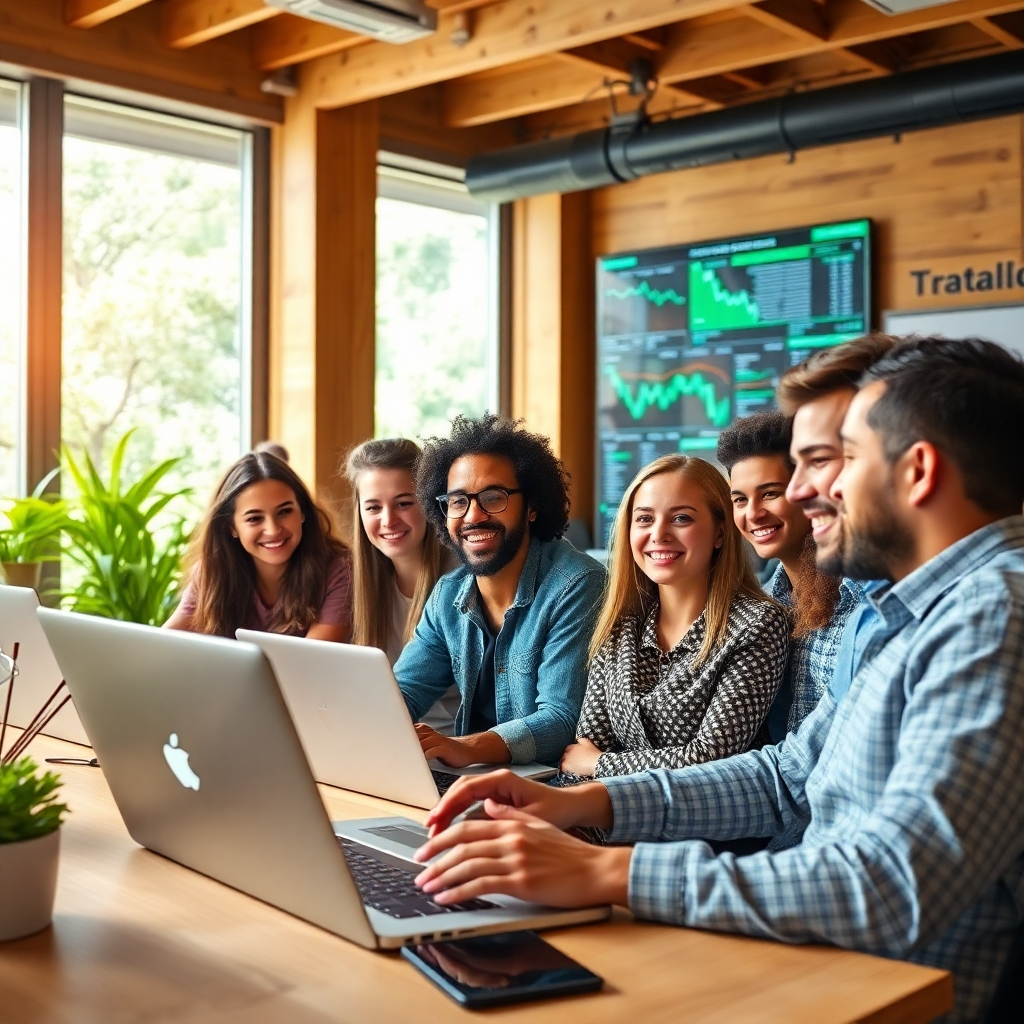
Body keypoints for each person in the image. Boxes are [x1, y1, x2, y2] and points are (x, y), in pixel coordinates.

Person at [412, 336, 1024, 1024]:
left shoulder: (996, 614)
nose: (800, 492)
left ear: (916, 472)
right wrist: (582, 805)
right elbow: (784, 776)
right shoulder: (901, 616)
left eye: (840, 459)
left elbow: (891, 885)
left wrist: (605, 872)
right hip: (813, 956)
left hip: (885, 993)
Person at [558, 454, 788, 780]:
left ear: (720, 532)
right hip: (610, 816)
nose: (659, 534)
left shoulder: (759, 625)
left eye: (681, 519)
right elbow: (580, 755)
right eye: (644, 519)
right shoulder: (620, 626)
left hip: (709, 824)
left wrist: (599, 764)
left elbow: (709, 762)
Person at [395, 414, 606, 768]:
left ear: (533, 507)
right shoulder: (448, 595)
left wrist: (466, 747)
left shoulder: (578, 584)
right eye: (458, 501)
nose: (473, 516)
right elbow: (402, 692)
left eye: (494, 497)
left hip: (545, 788)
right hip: (471, 777)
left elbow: (561, 718)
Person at [718, 412, 857, 741]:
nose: (753, 513)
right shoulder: (762, 608)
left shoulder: (861, 600)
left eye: (770, 493)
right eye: (740, 499)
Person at [165, 452, 352, 641]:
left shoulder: (340, 570)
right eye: (254, 519)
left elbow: (311, 662)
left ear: (303, 512)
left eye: (285, 511)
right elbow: (164, 644)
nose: (272, 529)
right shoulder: (213, 571)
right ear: (231, 527)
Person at [345, 438, 459, 733]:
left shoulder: (462, 581)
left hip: (458, 744)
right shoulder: (356, 583)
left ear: (430, 504)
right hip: (389, 736)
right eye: (373, 507)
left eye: (404, 503)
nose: (388, 520)